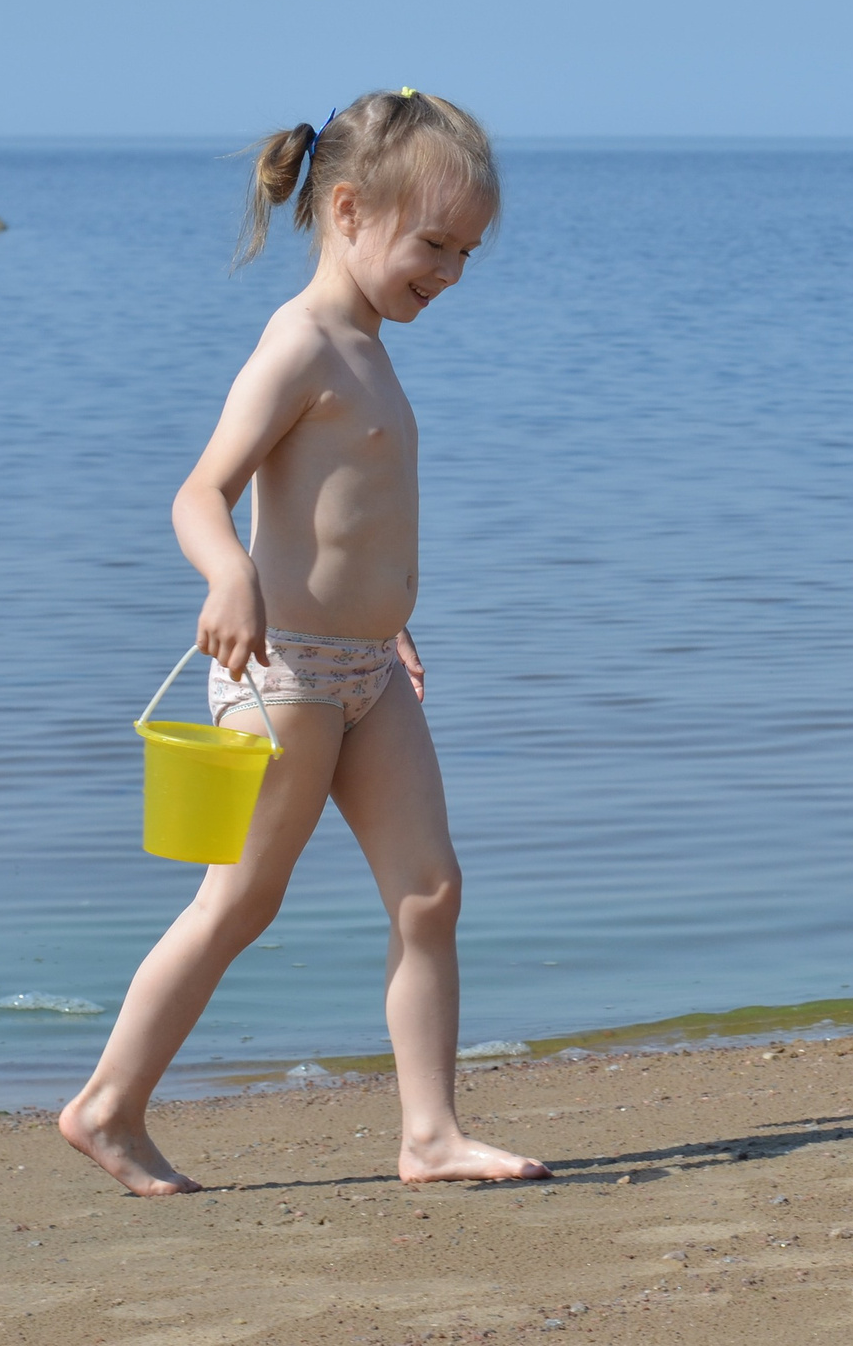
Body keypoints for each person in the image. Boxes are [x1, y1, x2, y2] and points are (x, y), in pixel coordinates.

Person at [61, 89, 549, 1195]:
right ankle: (107, 1104)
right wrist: (229, 570)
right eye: (434, 244)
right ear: (346, 211)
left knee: (430, 892)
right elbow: (202, 491)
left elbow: (343, 515)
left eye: (467, 253)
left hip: (370, 671)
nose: (451, 272)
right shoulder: (301, 344)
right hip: (279, 672)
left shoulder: (369, 345)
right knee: (238, 901)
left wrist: (389, 615)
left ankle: (428, 1134)